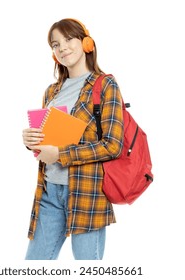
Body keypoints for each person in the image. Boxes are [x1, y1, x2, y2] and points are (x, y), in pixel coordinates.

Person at [22, 18, 124, 260]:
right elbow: (50, 138)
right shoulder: (51, 91)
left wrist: (60, 154)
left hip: (87, 192)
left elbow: (113, 145)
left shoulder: (105, 84)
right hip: (49, 192)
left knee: (88, 269)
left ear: (86, 42)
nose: (62, 47)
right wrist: (31, 140)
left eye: (68, 39)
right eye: (56, 44)